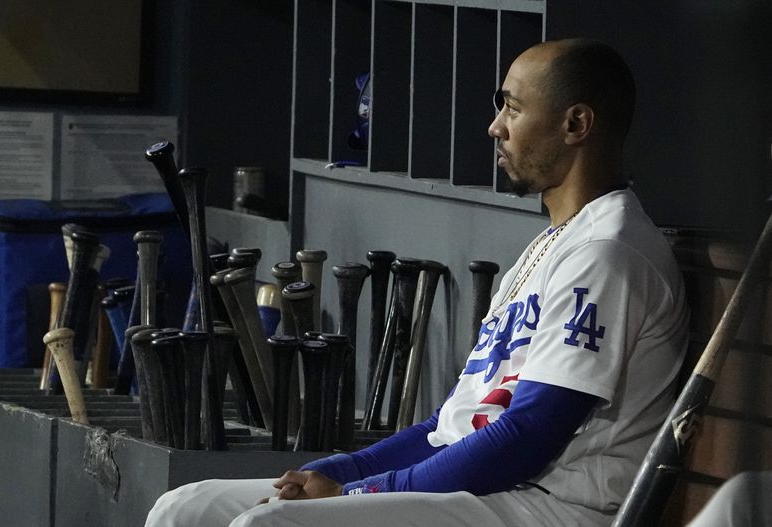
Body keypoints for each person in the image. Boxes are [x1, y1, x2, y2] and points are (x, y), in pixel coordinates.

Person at [145, 37, 689, 527]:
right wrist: (342, 467)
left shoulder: (607, 251)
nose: (495, 126)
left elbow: (528, 438)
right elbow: (450, 423)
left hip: (550, 504)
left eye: (513, 108)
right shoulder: (554, 242)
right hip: (481, 489)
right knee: (185, 509)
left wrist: (357, 492)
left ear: (575, 125)